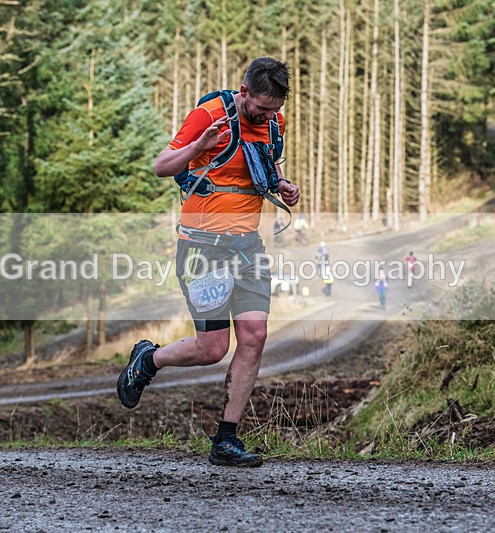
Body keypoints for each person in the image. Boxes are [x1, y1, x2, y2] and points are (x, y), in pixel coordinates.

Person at [117, 57, 300, 467]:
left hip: (247, 248)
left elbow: (261, 170)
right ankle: (148, 359)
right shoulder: (209, 115)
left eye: (275, 110)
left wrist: (284, 186)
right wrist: (198, 147)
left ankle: (226, 439)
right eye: (261, 108)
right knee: (212, 348)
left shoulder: (275, 124)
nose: (268, 116)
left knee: (254, 337)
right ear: (245, 91)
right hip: (203, 249)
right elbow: (162, 166)